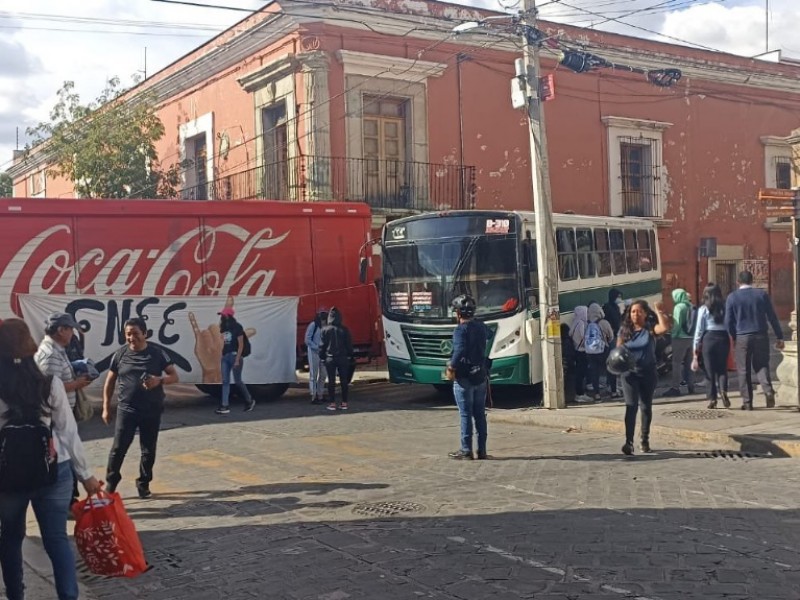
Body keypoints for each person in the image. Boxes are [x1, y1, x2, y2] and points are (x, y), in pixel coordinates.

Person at [0, 319, 102, 600]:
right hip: (54, 470)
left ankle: (15, 595)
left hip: (8, 475)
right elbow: (68, 433)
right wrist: (86, 476)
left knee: (10, 539)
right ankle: (68, 597)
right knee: (56, 540)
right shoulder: (49, 383)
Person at [102, 317, 179, 499]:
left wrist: (158, 380)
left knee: (148, 449)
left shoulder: (157, 353)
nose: (131, 338)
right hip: (126, 409)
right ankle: (111, 483)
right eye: (128, 334)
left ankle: (143, 483)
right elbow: (110, 381)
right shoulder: (120, 354)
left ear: (145, 334)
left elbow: (174, 376)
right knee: (118, 448)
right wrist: (106, 406)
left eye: (135, 334)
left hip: (151, 410)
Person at [34, 312, 93, 508]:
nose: (72, 334)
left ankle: (68, 498)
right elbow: (51, 388)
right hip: (56, 419)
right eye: (70, 329)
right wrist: (77, 384)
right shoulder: (51, 355)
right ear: (61, 330)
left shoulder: (57, 350)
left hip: (60, 415)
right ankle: (66, 501)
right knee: (63, 456)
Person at [725, 270, 784, 410]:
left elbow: (728, 322)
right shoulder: (761, 295)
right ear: (752, 281)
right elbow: (772, 317)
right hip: (761, 335)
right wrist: (779, 335)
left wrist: (734, 335)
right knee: (762, 365)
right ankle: (768, 390)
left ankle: (747, 402)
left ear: (737, 282)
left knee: (743, 369)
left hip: (742, 336)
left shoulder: (732, 297)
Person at [617, 299, 670, 455]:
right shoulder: (624, 331)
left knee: (645, 407)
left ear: (645, 313)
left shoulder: (649, 330)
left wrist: (659, 311)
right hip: (629, 375)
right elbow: (617, 351)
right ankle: (629, 442)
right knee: (631, 407)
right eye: (633, 311)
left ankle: (644, 439)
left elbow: (664, 327)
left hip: (648, 373)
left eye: (639, 311)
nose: (635, 314)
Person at [446, 294, 492, 460]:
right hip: (480, 375)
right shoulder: (481, 327)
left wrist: (451, 367)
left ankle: (466, 450)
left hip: (464, 377)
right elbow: (490, 335)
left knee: (465, 414)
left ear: (458, 313)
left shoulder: (460, 330)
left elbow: (459, 351)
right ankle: (482, 450)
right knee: (479, 414)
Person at [692, 284, 730, 409]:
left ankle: (712, 398)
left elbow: (699, 330)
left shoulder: (704, 309)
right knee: (722, 369)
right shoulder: (725, 307)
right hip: (723, 338)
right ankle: (723, 391)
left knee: (710, 371)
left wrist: (695, 350)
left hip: (709, 338)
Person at [216, 306, 255, 415]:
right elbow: (223, 342)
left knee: (238, 381)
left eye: (223, 315)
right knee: (225, 381)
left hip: (234, 355)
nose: (222, 317)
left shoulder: (237, 327)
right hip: (225, 356)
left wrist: (238, 358)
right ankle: (224, 405)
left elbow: (241, 344)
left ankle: (249, 400)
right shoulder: (224, 328)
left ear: (228, 315)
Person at [320, 307, 354, 411]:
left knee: (331, 381)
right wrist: (350, 355)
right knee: (344, 381)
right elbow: (349, 345)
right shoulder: (344, 329)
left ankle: (332, 403)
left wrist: (322, 357)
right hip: (343, 358)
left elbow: (322, 346)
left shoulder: (325, 330)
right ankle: (344, 403)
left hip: (330, 358)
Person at [663, 288, 694, 397]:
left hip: (680, 338)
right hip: (690, 337)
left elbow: (677, 324)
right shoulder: (690, 305)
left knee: (676, 363)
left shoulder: (678, 307)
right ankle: (691, 386)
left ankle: (675, 387)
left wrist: (672, 334)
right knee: (688, 363)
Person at [586, 302, 615, 401]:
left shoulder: (587, 323)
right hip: (603, 351)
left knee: (595, 373)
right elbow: (611, 337)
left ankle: (597, 394)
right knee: (610, 370)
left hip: (590, 352)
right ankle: (613, 391)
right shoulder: (604, 322)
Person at [602, 289, 624, 398]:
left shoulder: (608, 307)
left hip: (611, 337)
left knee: (610, 364)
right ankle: (613, 389)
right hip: (613, 338)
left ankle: (610, 386)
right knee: (614, 363)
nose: (619, 299)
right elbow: (616, 322)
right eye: (618, 296)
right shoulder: (611, 308)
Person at [304, 309, 328, 404]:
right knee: (314, 374)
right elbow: (307, 340)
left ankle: (320, 395)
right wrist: (317, 348)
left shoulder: (326, 326)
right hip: (314, 352)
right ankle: (313, 396)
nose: (324, 321)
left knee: (323, 374)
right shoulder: (313, 325)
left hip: (323, 352)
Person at [568, 306, 590, 402]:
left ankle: (580, 393)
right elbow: (583, 336)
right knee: (581, 373)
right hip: (581, 351)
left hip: (576, 349)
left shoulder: (575, 322)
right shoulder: (581, 323)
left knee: (579, 373)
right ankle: (580, 394)